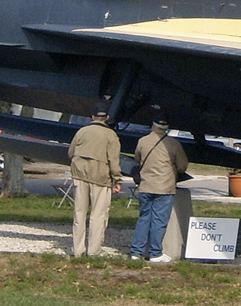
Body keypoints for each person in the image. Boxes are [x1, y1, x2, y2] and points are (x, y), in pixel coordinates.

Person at [67, 103, 122, 257]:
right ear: (107, 118)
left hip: (80, 175)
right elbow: (114, 160)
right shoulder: (111, 135)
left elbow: (71, 152)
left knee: (79, 213)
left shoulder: (82, 132)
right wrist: (117, 180)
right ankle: (94, 250)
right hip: (101, 177)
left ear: (92, 117)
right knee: (98, 215)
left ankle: (78, 250)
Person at [130, 116, 189, 262]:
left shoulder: (142, 141)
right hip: (165, 187)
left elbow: (137, 159)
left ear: (153, 126)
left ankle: (136, 252)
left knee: (144, 218)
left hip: (146, 185)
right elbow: (182, 166)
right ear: (167, 127)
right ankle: (155, 253)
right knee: (159, 221)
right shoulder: (174, 144)